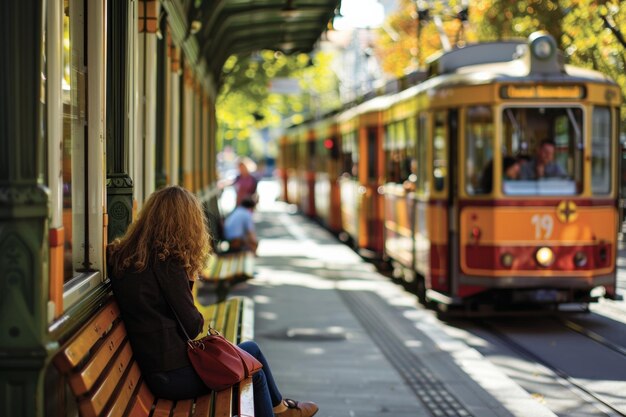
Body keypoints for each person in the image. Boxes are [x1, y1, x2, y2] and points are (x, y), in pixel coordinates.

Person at [107, 186, 317, 417]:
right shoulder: (167, 263)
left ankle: (281, 409)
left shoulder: (127, 257)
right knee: (254, 374)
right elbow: (193, 326)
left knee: (252, 350)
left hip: (159, 367)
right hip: (171, 375)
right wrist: (188, 280)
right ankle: (282, 410)